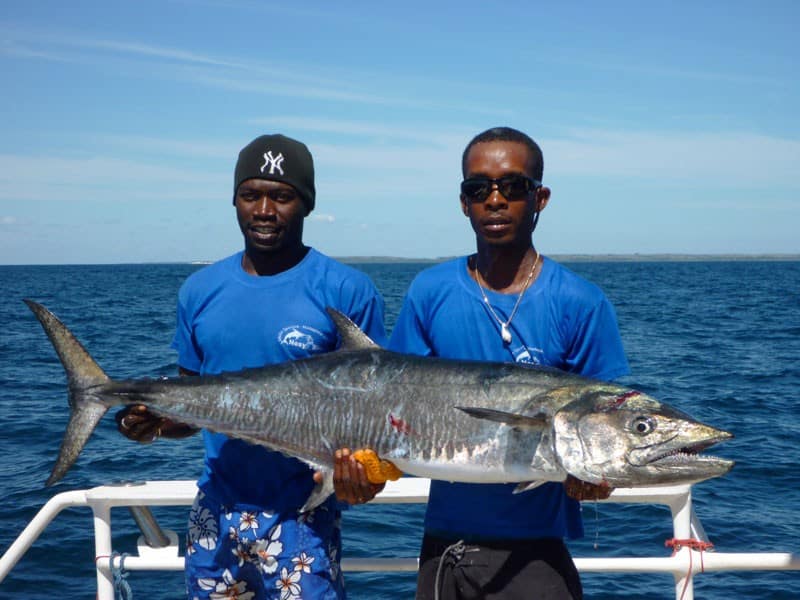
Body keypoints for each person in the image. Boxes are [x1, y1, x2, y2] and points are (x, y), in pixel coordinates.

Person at [115, 133, 386, 599]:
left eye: (282, 196)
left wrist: (366, 476)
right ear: (235, 201)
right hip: (214, 510)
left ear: (306, 204)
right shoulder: (199, 291)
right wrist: (154, 424)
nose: (264, 210)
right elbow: (193, 408)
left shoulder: (347, 290)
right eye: (250, 195)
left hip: (304, 515)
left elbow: (378, 420)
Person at [389, 127, 630, 600]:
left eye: (512, 186)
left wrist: (600, 477)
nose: (495, 200)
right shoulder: (429, 291)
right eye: (478, 189)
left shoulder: (581, 302)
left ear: (540, 197)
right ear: (463, 203)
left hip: (538, 556)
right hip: (444, 551)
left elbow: (604, 427)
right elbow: (395, 409)